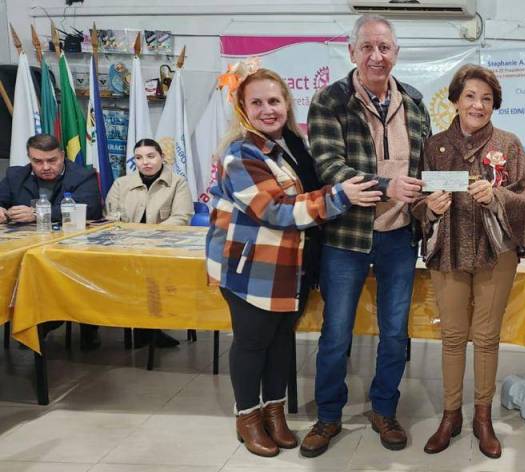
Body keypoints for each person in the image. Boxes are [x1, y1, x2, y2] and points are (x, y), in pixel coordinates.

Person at [205, 66, 381, 458]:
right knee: (252, 344)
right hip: (253, 270)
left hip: (291, 268)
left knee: (281, 342)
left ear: (287, 103)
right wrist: (341, 196)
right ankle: (248, 417)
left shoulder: (291, 143)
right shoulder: (240, 154)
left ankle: (275, 413)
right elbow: (276, 210)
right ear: (242, 108)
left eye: (274, 100)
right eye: (257, 103)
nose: (267, 109)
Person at [302, 14, 429, 457]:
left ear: (396, 53)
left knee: (394, 333)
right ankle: (328, 416)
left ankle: (384, 410)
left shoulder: (414, 102)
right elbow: (328, 165)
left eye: (385, 47)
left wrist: (435, 195)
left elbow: (425, 167)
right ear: (352, 52)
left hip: (399, 236)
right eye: (368, 47)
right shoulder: (329, 100)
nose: (377, 56)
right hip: (346, 237)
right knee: (336, 333)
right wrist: (386, 186)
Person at [411, 64, 525, 458]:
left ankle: (482, 417)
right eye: (469, 96)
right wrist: (429, 207)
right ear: (455, 100)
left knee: (486, 337)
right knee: (452, 337)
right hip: (448, 250)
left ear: (494, 104)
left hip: (495, 253)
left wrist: (496, 196)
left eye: (486, 99)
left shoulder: (509, 144)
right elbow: (416, 200)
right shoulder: (434, 146)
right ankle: (450, 415)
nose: (478, 105)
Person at [0, 133, 104, 350]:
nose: (45, 167)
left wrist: (37, 213)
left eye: (52, 160)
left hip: (71, 247)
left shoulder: (83, 175)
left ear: (62, 156)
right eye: (37, 161)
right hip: (26, 247)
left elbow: (91, 208)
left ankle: (85, 325)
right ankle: (31, 321)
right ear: (29, 158)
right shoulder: (15, 175)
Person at [106, 138, 195, 349]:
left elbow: (181, 218)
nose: (145, 162)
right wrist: (130, 238)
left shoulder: (178, 183)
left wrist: (148, 236)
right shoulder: (121, 184)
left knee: (151, 276)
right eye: (138, 158)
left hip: (163, 248)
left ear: (162, 157)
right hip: (127, 248)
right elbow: (111, 216)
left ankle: (148, 329)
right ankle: (140, 328)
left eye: (150, 156)